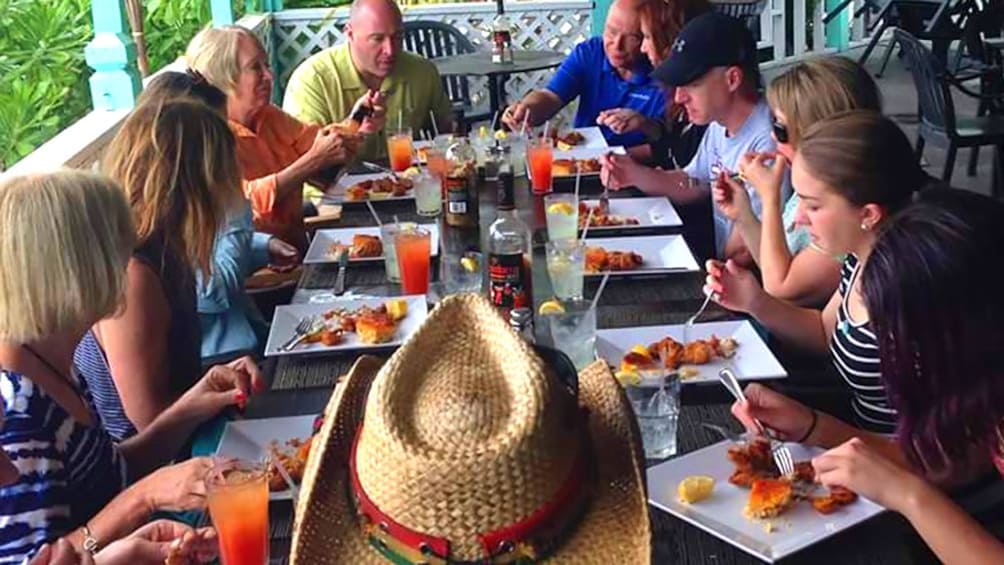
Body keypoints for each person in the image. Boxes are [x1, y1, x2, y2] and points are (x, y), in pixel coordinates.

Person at [0, 170, 262, 562]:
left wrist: (192, 406)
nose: (129, 259)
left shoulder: (52, 359)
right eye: (116, 245)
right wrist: (145, 496)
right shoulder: (16, 406)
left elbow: (110, 471)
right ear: (73, 269)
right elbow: (38, 559)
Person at [730, 190, 1004, 561]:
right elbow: (950, 462)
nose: (886, 349)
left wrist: (907, 494)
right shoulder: (975, 392)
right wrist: (813, 426)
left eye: (895, 332)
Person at [705, 111, 931, 435]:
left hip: (891, 468)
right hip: (856, 445)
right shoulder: (860, 259)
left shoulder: (909, 295)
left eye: (812, 206)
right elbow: (825, 334)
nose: (798, 219)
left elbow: (942, 457)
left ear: (868, 214)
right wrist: (753, 300)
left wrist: (814, 428)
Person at [73, 99, 242, 441]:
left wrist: (219, 377)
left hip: (188, 439)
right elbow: (148, 420)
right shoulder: (133, 274)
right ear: (192, 183)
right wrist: (218, 394)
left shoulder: (168, 249)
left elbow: (175, 381)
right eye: (225, 171)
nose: (234, 182)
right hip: (147, 472)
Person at [136, 70, 291, 364]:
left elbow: (209, 245)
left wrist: (262, 246)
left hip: (249, 336)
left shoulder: (181, 199)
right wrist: (236, 208)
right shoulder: (153, 221)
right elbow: (212, 292)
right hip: (215, 362)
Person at [601, 12, 780, 260]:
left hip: (750, 284)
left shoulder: (767, 140)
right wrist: (634, 174)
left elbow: (745, 251)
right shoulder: (721, 122)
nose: (679, 97)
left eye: (692, 84)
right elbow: (693, 182)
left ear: (732, 79)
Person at [712, 56, 882, 307]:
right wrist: (744, 213)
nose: (771, 135)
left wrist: (769, 198)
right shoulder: (814, 182)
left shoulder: (848, 206)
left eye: (780, 129)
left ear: (818, 134)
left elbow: (781, 285)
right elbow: (773, 260)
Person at [186, 26, 371, 253]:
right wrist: (313, 160)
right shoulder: (206, 137)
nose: (269, 76)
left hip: (301, 255)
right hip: (255, 275)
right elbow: (244, 202)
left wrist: (357, 123)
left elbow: (324, 162)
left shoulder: (269, 117)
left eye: (267, 65)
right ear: (225, 77)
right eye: (256, 67)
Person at [282, 0, 450, 161]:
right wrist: (354, 126)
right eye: (377, 39)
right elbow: (306, 164)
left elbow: (445, 132)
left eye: (397, 37)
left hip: (407, 183)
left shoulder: (422, 71)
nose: (390, 50)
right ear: (350, 34)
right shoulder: (312, 80)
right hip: (332, 189)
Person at [500, 0, 667, 148]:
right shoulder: (590, 52)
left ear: (649, 37)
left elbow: (670, 142)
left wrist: (643, 126)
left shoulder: (666, 70)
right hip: (579, 165)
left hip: (641, 171)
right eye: (611, 32)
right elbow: (551, 96)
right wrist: (527, 109)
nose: (617, 45)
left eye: (632, 38)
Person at [595, 0, 711, 168]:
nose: (643, 48)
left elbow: (695, 183)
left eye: (645, 37)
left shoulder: (704, 105)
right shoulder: (678, 89)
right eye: (611, 31)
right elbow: (671, 149)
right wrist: (645, 124)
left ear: (671, 41)